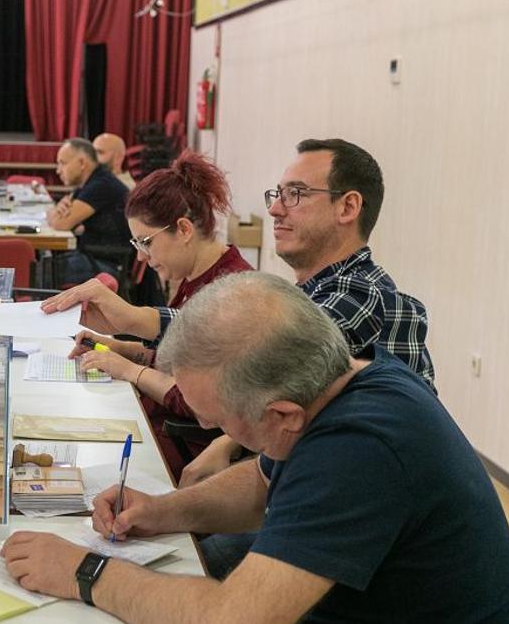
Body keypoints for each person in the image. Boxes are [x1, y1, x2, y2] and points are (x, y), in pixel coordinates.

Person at [1, 272, 509, 623]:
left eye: (215, 416)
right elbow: (262, 482)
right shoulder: (344, 381)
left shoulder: (361, 451)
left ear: (281, 414)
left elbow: (236, 617)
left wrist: (82, 572)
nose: (204, 422)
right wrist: (162, 512)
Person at [183, 138, 436, 486]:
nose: (275, 210)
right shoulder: (315, 291)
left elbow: (262, 354)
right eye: (278, 194)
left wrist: (226, 441)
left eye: (296, 194)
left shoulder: (360, 293)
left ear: (347, 207)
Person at [41, 150, 251, 478]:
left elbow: (194, 400)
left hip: (178, 446)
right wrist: (119, 348)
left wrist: (129, 370)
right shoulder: (197, 278)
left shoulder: (232, 291)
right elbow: (175, 359)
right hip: (156, 426)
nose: (141, 257)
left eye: (146, 242)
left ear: (183, 230)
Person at [47, 137, 131, 285]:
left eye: (62, 163)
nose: (58, 170)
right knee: (42, 262)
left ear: (81, 163)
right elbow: (63, 217)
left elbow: (62, 224)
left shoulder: (100, 185)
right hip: (97, 256)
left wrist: (55, 214)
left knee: (39, 272)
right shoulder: (91, 181)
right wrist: (57, 212)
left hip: (107, 265)